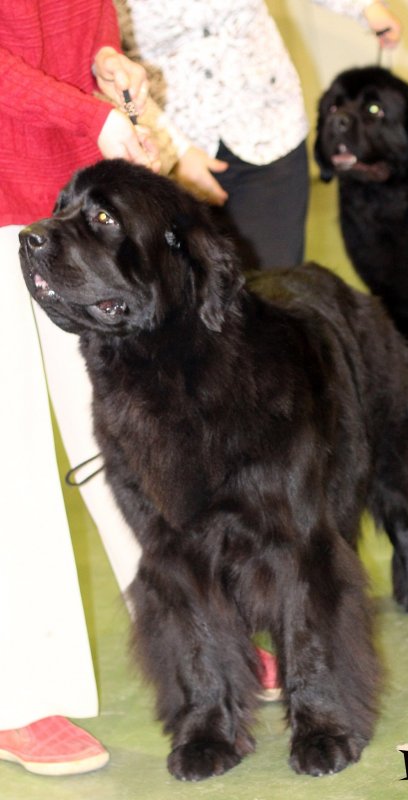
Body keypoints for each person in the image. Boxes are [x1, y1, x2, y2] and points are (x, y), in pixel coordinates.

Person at [0, 0, 159, 776]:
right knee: (12, 461)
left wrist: (107, 66)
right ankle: (16, 695)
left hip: (63, 207)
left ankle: (181, 631)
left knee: (122, 436)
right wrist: (84, 116)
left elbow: (82, 26)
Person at [115, 0, 402, 269]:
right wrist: (174, 152)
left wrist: (364, 7)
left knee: (275, 290)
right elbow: (103, 63)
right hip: (170, 147)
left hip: (269, 125)